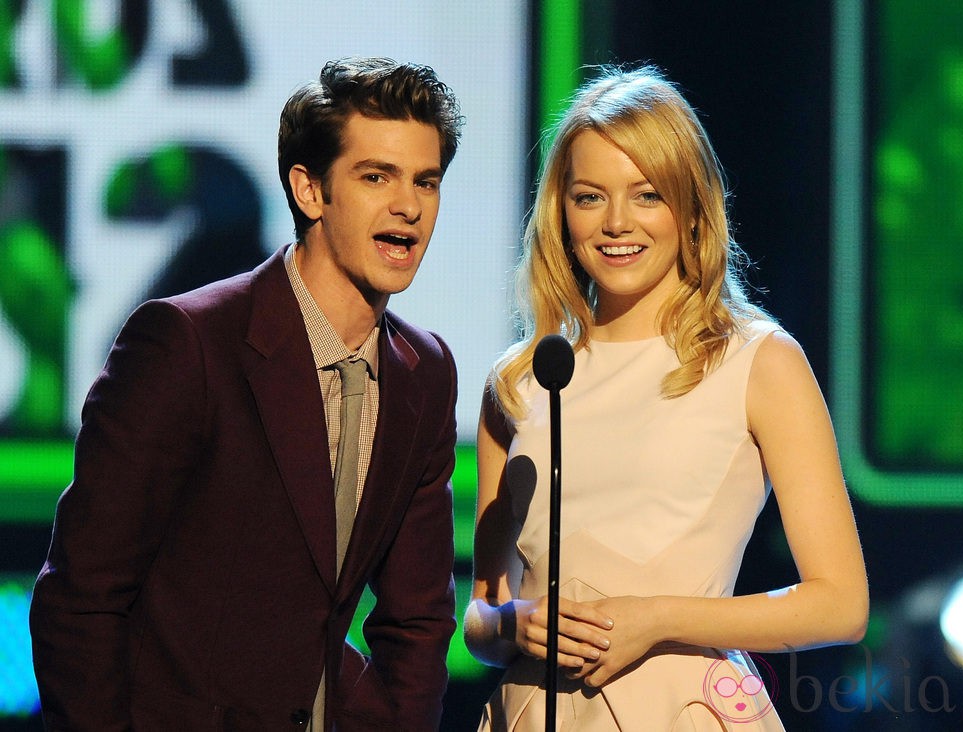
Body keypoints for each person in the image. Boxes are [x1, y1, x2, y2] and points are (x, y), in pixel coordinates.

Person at [30, 57, 463, 731]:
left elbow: (417, 617)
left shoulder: (423, 371)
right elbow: (80, 597)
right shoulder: (187, 344)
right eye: (375, 176)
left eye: (425, 181)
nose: (407, 206)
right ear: (309, 190)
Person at [464, 65, 868, 730]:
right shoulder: (519, 381)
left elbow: (839, 605)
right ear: (560, 211)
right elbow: (482, 615)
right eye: (589, 197)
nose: (616, 222)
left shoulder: (757, 362)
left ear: (689, 206)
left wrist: (656, 618)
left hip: (684, 709)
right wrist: (515, 624)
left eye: (646, 194)